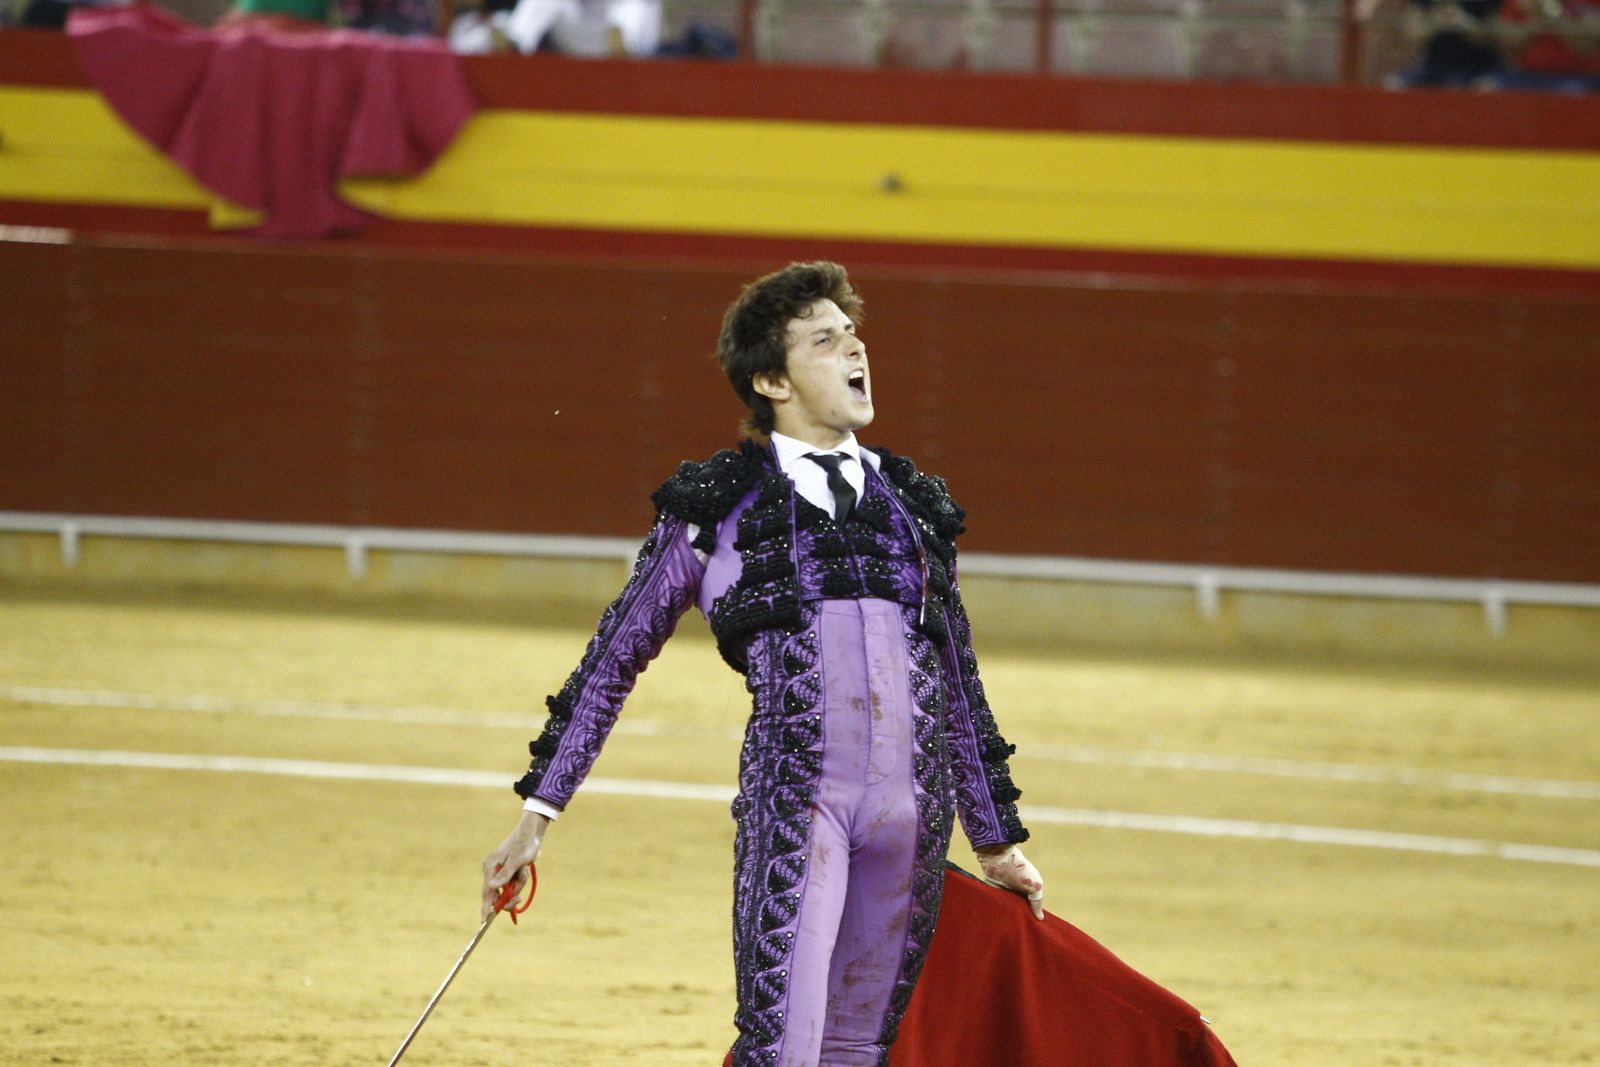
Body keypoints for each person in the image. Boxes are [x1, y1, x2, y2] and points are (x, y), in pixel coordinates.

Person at [481, 261, 1045, 1067]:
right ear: (772, 379)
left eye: (853, 334)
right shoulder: (718, 509)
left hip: (913, 816)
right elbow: (612, 658)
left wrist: (996, 841)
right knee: (782, 1046)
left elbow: (958, 680)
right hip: (798, 807)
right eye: (825, 339)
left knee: (859, 1049)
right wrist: (538, 814)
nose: (855, 349)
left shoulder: (913, 506)